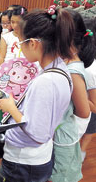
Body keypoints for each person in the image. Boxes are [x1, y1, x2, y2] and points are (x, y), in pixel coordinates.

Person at [0, 8, 74, 182]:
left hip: (23, 161)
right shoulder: (61, 69)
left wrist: (11, 108)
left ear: (33, 43)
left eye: (21, 42)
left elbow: (37, 133)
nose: (20, 48)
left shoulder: (45, 81)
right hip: (38, 156)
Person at [49, 9, 96, 182]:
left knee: (60, 177)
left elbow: (84, 111)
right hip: (60, 135)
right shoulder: (68, 66)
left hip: (63, 140)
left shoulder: (74, 73)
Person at [80, 17, 96, 162]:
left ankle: (81, 152)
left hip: (87, 102)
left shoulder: (91, 69)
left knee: (90, 128)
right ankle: (81, 151)